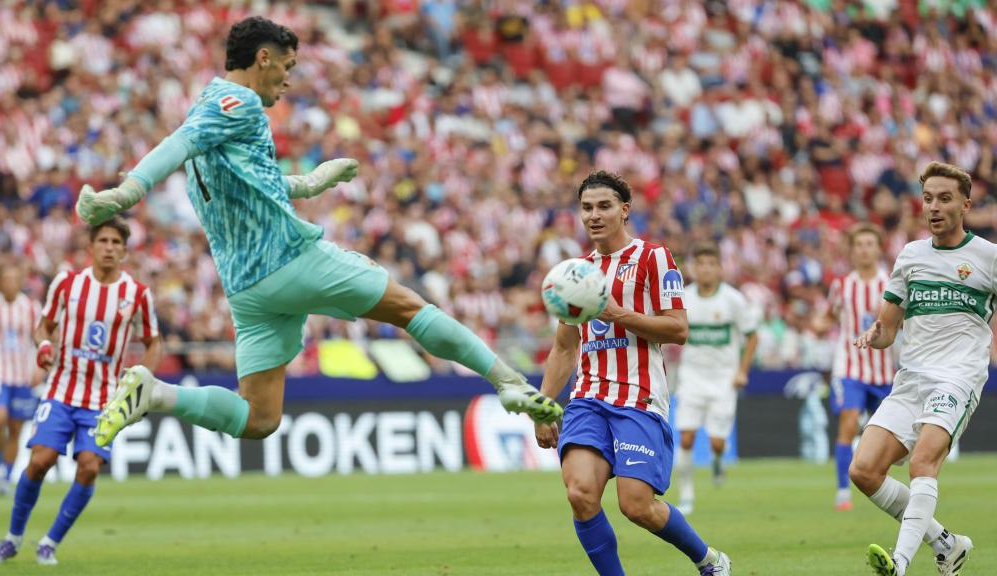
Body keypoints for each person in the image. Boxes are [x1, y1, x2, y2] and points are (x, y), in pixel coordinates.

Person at [74, 16, 561, 447]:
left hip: (247, 290)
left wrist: (310, 182)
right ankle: (507, 380)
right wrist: (129, 192)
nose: (287, 80)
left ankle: (154, 394)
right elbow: (176, 144)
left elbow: (251, 184)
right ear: (263, 58)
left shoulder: (210, 108)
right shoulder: (237, 100)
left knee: (259, 418)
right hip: (289, 259)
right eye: (286, 67)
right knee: (409, 307)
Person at [535, 171, 731, 576]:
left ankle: (709, 561)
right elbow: (564, 346)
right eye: (587, 207)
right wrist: (542, 405)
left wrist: (618, 313)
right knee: (580, 493)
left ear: (624, 211)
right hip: (587, 398)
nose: (594, 215)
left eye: (604, 206)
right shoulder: (575, 273)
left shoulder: (653, 258)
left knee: (635, 505)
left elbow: (678, 328)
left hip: (639, 398)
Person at [0, 218, 162, 566]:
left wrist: (144, 377)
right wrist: (44, 346)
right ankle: (12, 538)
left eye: (116, 242)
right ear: (91, 247)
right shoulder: (67, 284)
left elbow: (154, 342)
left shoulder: (136, 294)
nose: (109, 247)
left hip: (104, 399)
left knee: (89, 467)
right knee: (39, 461)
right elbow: (43, 327)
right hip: (62, 390)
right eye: (103, 240)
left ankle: (49, 542)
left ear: (124, 250)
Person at [852, 162, 979, 576]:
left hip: (957, 378)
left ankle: (901, 562)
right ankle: (947, 544)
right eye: (928, 199)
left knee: (922, 463)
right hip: (911, 380)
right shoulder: (910, 256)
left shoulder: (987, 258)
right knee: (864, 470)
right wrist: (876, 335)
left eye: (944, 198)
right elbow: (889, 327)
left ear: (965, 203)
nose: (934, 207)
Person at [811, 223, 895, 511]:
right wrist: (819, 326)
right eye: (859, 245)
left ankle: (881, 485)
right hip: (849, 368)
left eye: (869, 244)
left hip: (885, 371)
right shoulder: (842, 285)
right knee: (847, 423)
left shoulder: (892, 284)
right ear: (851, 250)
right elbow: (828, 316)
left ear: (878, 248)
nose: (864, 250)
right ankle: (843, 492)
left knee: (892, 439)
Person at [673, 242, 758, 515]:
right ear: (692, 268)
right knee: (685, 438)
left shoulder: (733, 299)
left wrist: (742, 370)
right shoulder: (683, 298)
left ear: (720, 269)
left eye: (711, 264)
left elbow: (752, 335)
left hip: (723, 379)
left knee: (716, 443)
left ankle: (718, 459)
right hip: (691, 378)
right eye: (700, 264)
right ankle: (686, 496)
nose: (706, 269)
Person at [0, 263, 41, 496]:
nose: (11, 283)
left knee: (15, 428)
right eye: (7, 278)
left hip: (23, 376)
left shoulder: (31, 307)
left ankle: (5, 476)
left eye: (15, 278)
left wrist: (40, 369)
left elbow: (40, 340)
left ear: (21, 281)